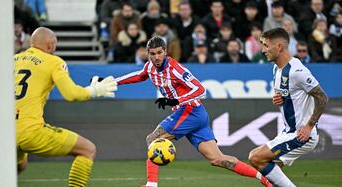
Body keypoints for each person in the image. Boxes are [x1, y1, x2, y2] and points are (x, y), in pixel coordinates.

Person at [111, 36, 271, 187]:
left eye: (160, 53)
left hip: (190, 111)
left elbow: (201, 89)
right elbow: (138, 76)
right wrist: (112, 82)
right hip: (196, 115)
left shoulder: (175, 69)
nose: (157, 57)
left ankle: (152, 184)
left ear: (165, 52)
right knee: (218, 159)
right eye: (153, 54)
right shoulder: (150, 67)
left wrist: (176, 101)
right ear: (148, 54)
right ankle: (265, 180)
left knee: (153, 139)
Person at [0, 27, 118, 187]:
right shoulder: (53, 62)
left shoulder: (11, 61)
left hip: (3, 132)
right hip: (29, 130)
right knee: (87, 149)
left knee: (17, 165)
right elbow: (71, 94)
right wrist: (94, 90)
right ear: (50, 45)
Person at [249, 28, 328, 187]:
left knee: (255, 157)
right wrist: (279, 99)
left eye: (266, 45)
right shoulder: (276, 68)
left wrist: (309, 126)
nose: (263, 50)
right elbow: (288, 95)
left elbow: (322, 97)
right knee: (271, 172)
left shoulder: (297, 71)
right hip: (287, 132)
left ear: (279, 47)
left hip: (302, 134)